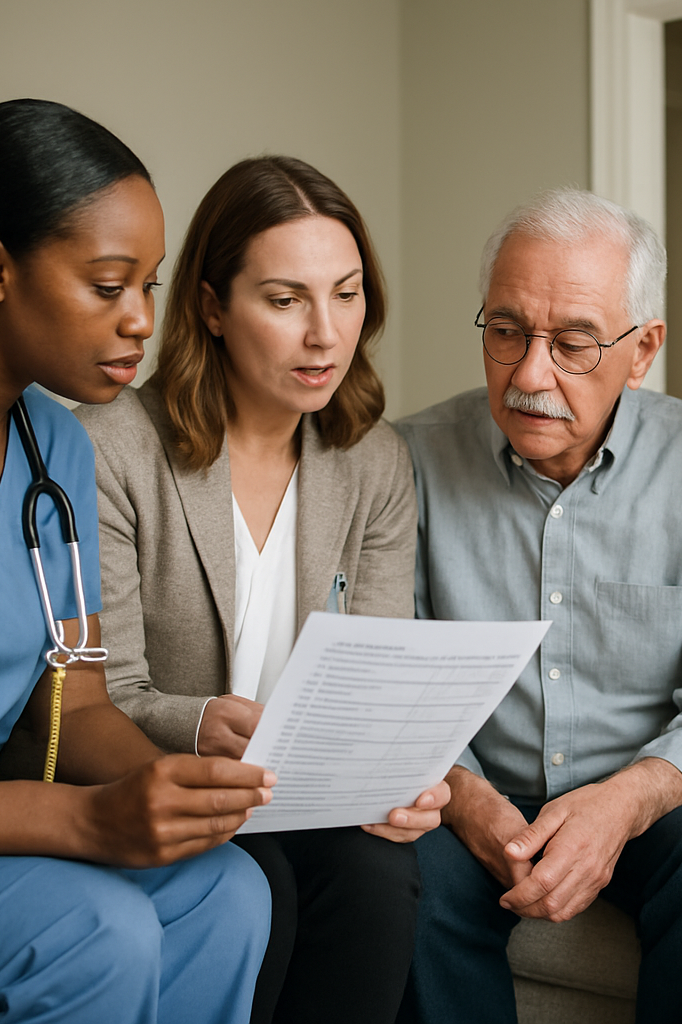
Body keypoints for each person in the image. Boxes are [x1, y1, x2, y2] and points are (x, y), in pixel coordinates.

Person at [0, 99, 274, 1024]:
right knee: (95, 927)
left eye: (148, 286)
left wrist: (177, 788)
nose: (141, 321)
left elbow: (77, 703)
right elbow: (66, 808)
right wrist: (82, 821)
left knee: (226, 891)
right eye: (109, 286)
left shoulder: (60, 455)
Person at [394, 187, 682, 1024]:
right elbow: (391, 682)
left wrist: (623, 803)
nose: (531, 375)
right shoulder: (409, 461)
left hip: (649, 805)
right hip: (475, 789)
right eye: (506, 332)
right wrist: (467, 800)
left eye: (575, 344)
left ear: (643, 349)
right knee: (401, 865)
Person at [75, 155, 446, 1024]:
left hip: (306, 793)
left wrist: (403, 773)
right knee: (260, 880)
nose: (326, 333)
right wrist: (203, 720)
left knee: (380, 874)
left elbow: (376, 673)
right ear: (211, 308)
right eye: (285, 301)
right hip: (170, 782)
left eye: (346, 294)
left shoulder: (375, 461)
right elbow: (108, 691)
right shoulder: (114, 448)